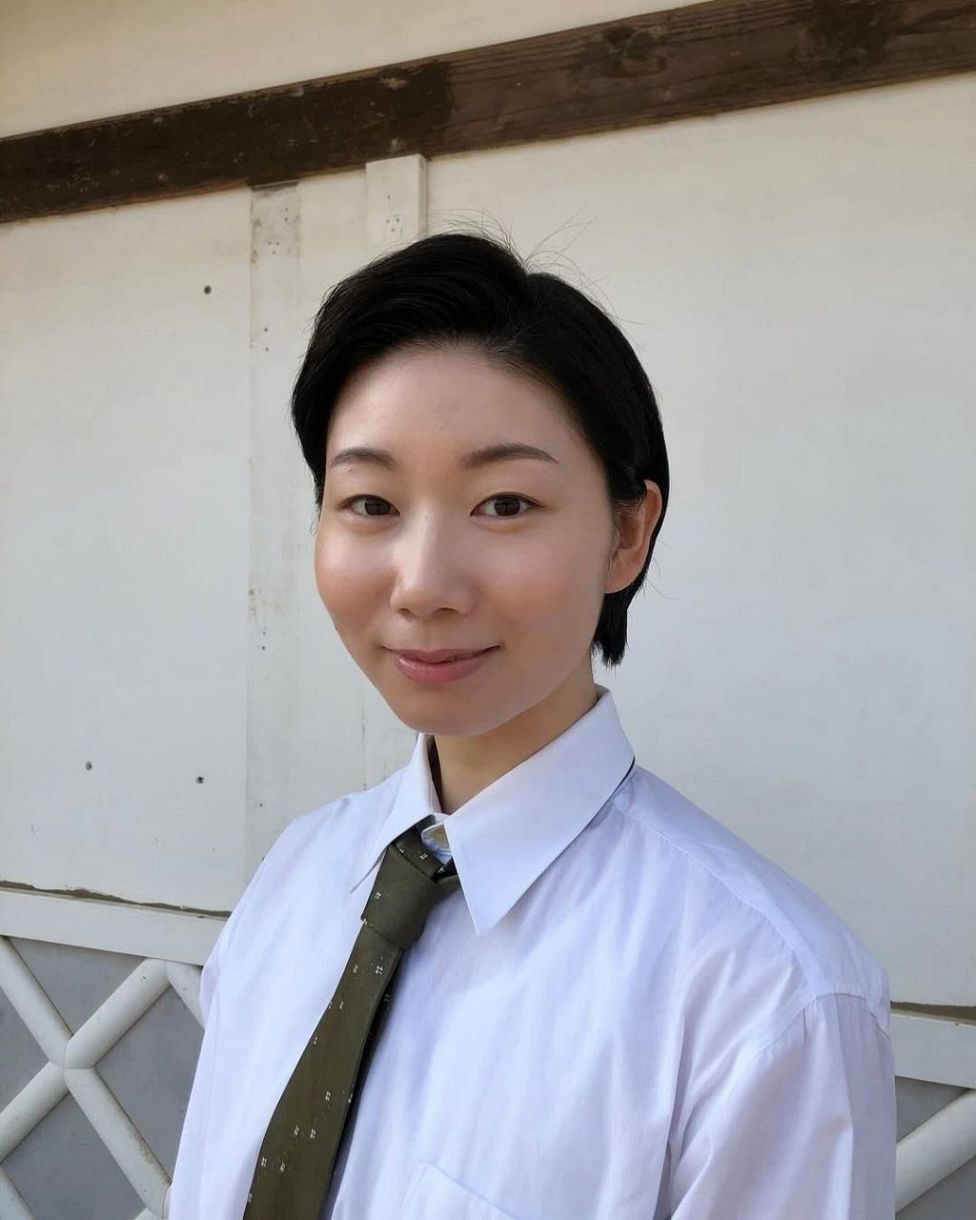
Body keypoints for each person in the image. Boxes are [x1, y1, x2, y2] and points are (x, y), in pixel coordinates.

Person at [168, 231, 895, 1219]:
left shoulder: (764, 995)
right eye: (370, 502)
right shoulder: (294, 882)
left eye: (504, 503)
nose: (423, 584)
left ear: (627, 532)